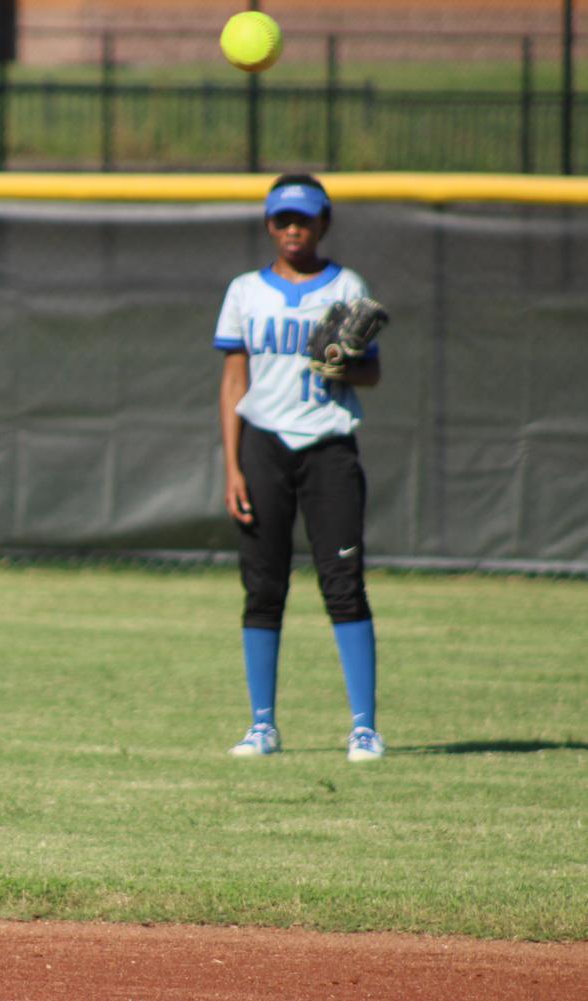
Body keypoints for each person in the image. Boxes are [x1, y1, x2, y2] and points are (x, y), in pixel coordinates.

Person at [213, 174, 386, 764]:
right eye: (283, 220)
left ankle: (364, 727)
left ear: (323, 224)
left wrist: (342, 365)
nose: (293, 230)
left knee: (342, 584)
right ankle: (262, 725)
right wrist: (232, 465)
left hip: (329, 447)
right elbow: (234, 379)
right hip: (263, 446)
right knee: (263, 587)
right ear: (269, 225)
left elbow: (371, 374)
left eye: (304, 220)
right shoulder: (244, 291)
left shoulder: (347, 284)